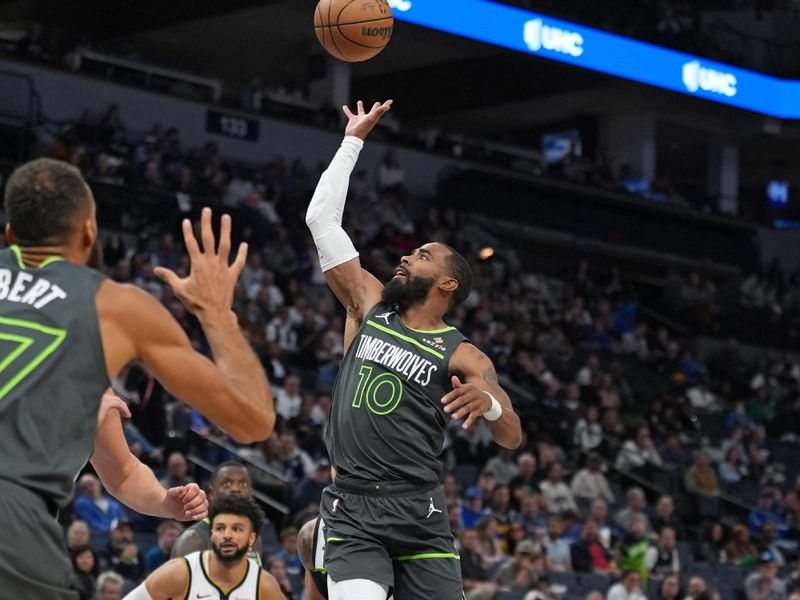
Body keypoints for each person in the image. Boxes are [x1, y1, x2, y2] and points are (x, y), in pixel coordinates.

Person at [0, 158, 274, 599]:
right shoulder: (114, 306)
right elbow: (253, 421)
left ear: (10, 236)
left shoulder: (75, 371)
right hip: (13, 525)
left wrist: (164, 501)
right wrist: (217, 314)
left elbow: (123, 473)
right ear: (89, 233)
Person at [306, 100, 522, 600]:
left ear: (448, 282)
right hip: (354, 508)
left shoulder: (463, 354)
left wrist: (489, 405)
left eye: (421, 255)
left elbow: (510, 435)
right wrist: (352, 141)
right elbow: (321, 219)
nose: (406, 255)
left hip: (419, 512)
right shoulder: (369, 304)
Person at [124, 495, 285, 600]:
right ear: (211, 533)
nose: (227, 535)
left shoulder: (264, 585)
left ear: (251, 538)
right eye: (221, 528)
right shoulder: (180, 573)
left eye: (236, 529)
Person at [171, 461, 265, 561]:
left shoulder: (254, 538)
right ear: (211, 494)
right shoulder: (193, 539)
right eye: (227, 484)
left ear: (250, 493)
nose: (236, 489)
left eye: (243, 483)